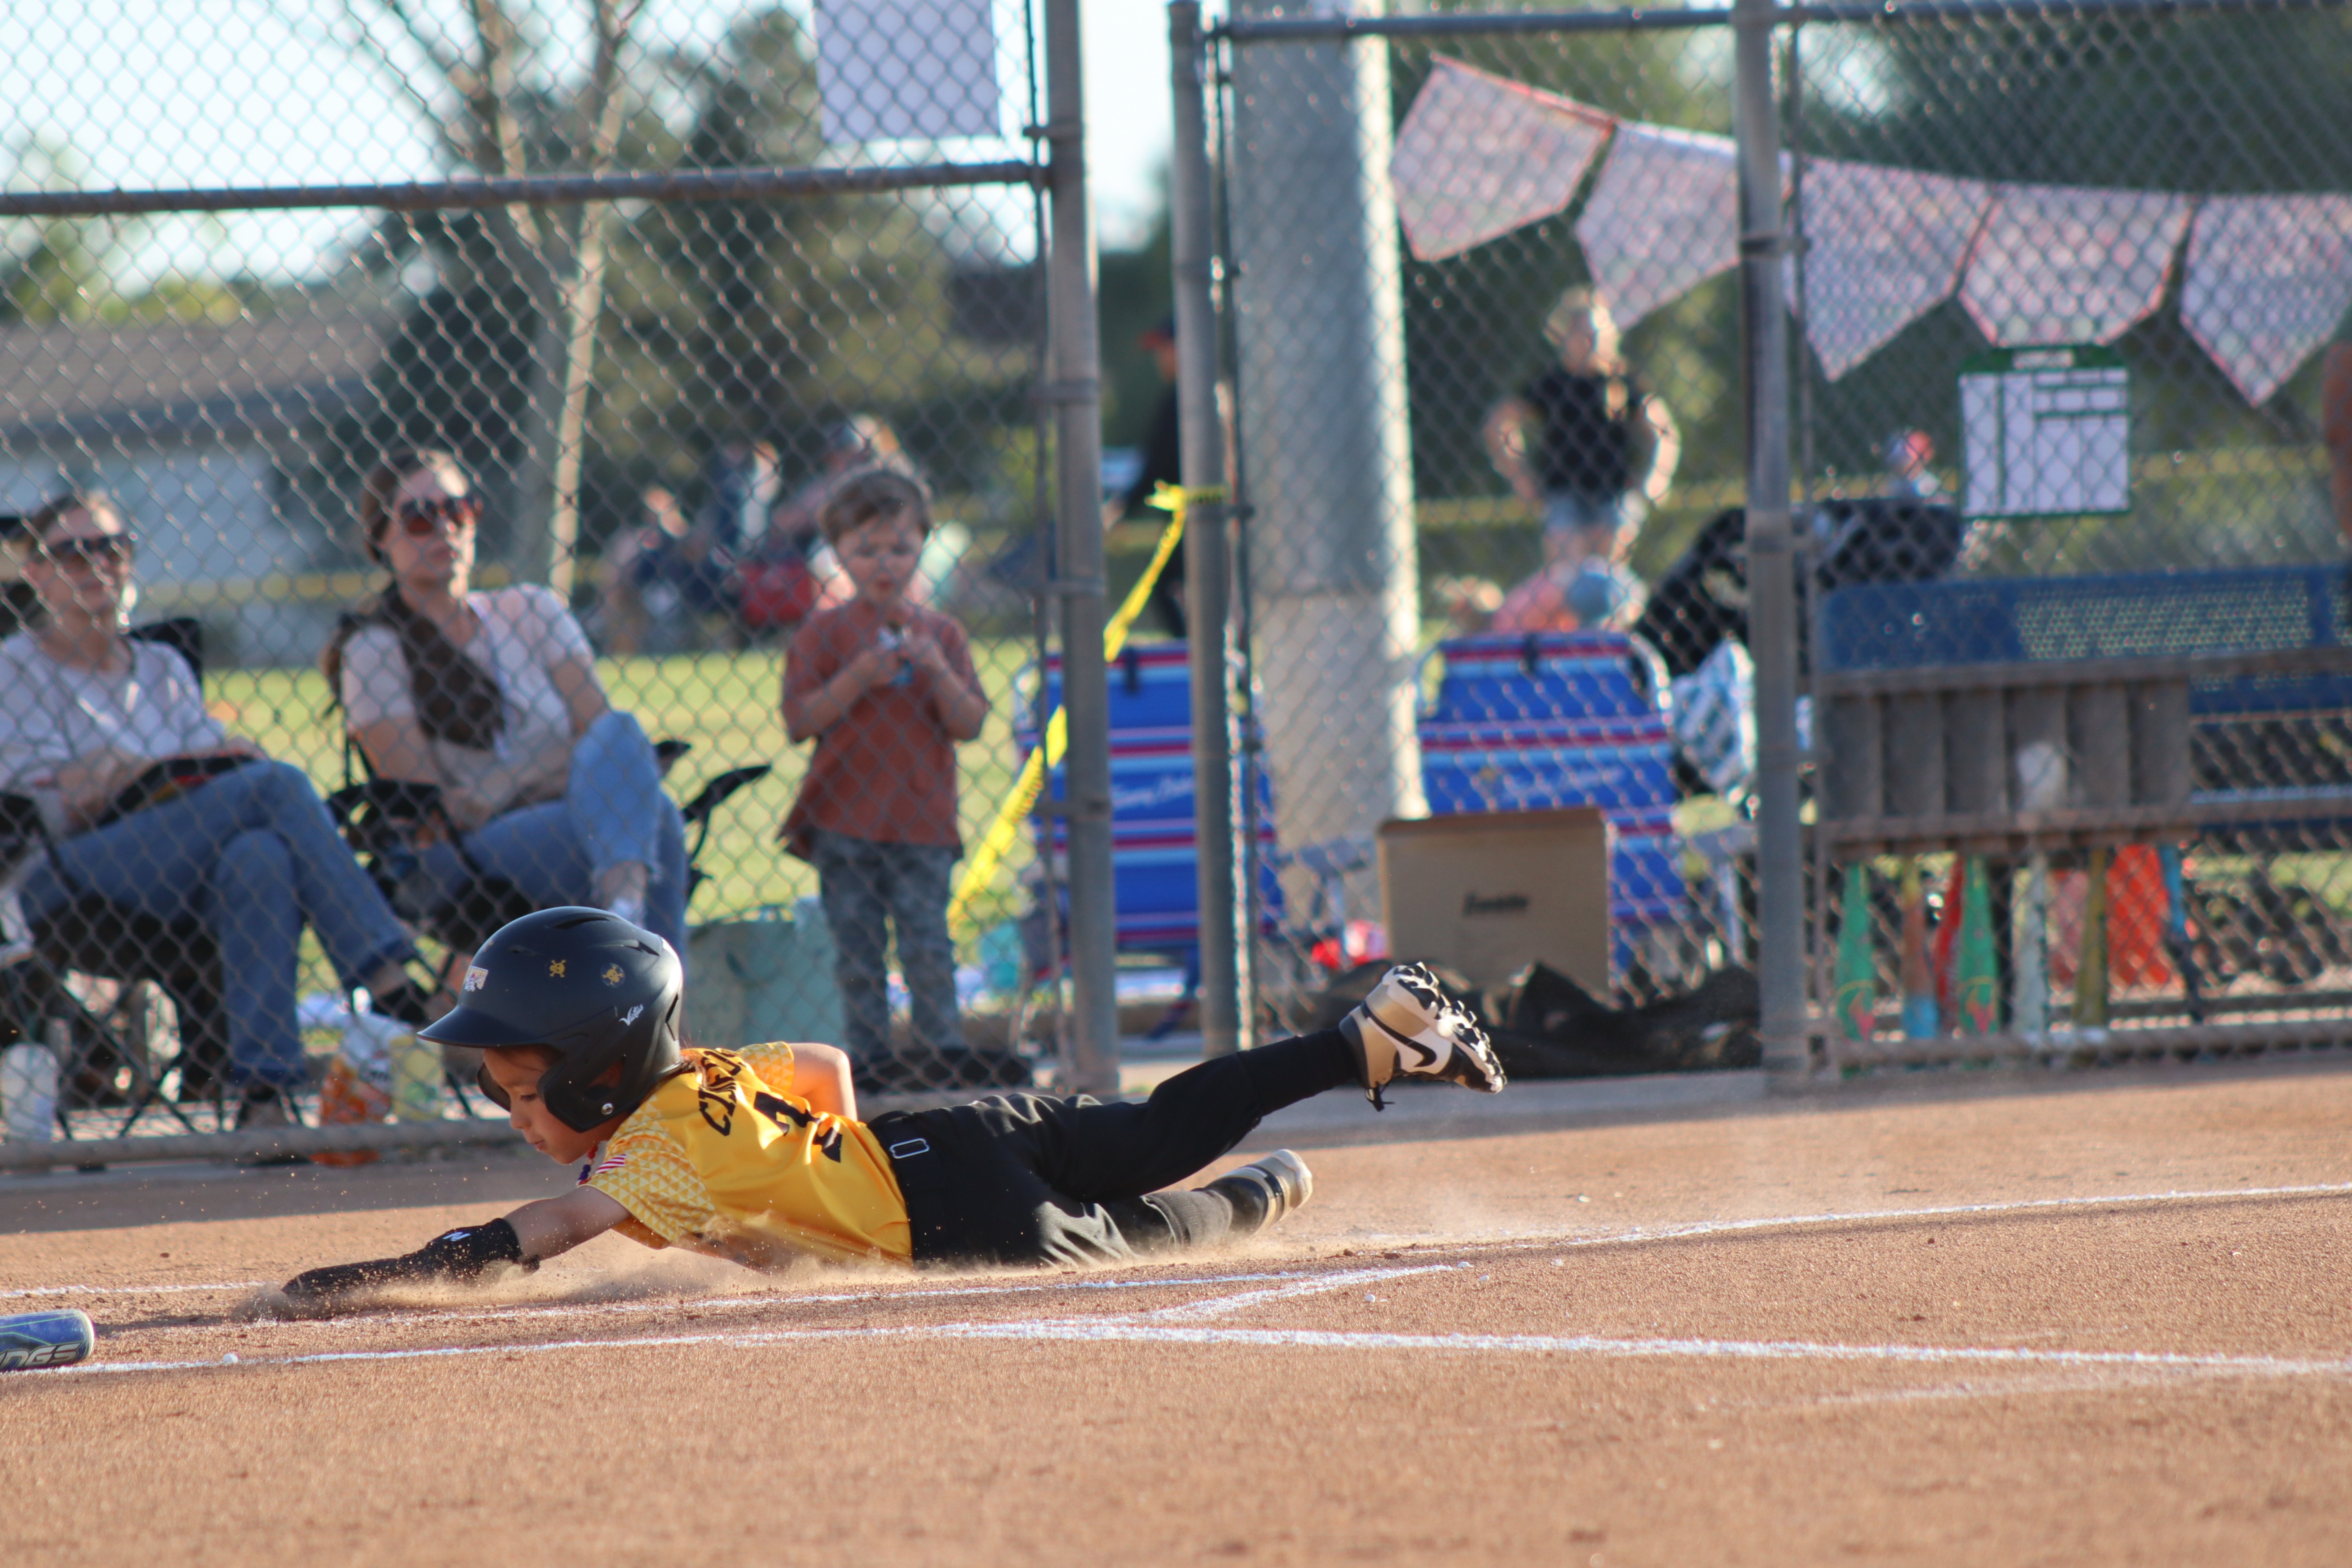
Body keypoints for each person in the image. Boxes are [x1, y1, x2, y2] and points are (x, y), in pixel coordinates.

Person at [271, 912, 1506, 1303]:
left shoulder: (650, 1154)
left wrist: (412, 1268)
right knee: (1149, 1133)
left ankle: (1269, 1189)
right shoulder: (707, 1075)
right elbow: (819, 1064)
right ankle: (1355, 1042)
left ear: (597, 1071)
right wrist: (833, 1176)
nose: (515, 1117)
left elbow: (551, 1225)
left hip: (961, 1227)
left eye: (521, 1094)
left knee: (1147, 1230)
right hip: (957, 1132)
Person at [0, 492, 440, 1122]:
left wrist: (139, 767)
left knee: (259, 856)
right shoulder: (15, 668)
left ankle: (264, 1097)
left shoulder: (162, 666)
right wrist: (161, 767)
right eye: (71, 553)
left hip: (184, 867)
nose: (96, 564)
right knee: (276, 787)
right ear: (37, 572)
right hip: (70, 876)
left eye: (111, 547)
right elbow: (64, 799)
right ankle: (392, 986)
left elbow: (202, 764)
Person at [324, 450, 690, 960]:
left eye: (459, 510)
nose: (445, 528)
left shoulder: (532, 610)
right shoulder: (373, 650)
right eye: (420, 517)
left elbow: (604, 741)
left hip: (568, 814)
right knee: (654, 818)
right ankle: (647, 974)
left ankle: (626, 925)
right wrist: (563, 773)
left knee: (621, 733)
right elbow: (436, 809)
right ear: (380, 537)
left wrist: (501, 789)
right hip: (463, 854)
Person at [779, 468, 1004, 1091]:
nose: (885, 563)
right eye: (866, 549)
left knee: (928, 946)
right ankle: (870, 1068)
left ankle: (942, 1059)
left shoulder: (943, 633)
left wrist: (935, 669)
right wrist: (858, 676)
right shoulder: (823, 633)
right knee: (857, 954)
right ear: (838, 553)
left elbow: (970, 723)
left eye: (900, 548)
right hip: (844, 822)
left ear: (923, 546)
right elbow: (800, 720)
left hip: (922, 824)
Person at [1475, 289, 1678, 633]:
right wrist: (1520, 476)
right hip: (1562, 493)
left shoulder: (1621, 383)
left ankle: (1608, 642)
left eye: (1597, 333)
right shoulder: (1551, 383)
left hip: (1612, 492)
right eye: (1581, 333)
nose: (1590, 341)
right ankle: (1567, 645)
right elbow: (1499, 425)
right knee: (1567, 578)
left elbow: (1663, 432)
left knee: (1604, 577)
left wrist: (1656, 479)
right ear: (1563, 336)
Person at [1105, 317, 1187, 637]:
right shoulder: (1194, 396)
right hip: (1194, 516)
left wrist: (1122, 508)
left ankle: (1197, 653)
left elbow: (1156, 467)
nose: (1160, 359)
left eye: (1165, 349)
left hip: (1195, 518)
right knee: (1182, 587)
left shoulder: (1181, 401)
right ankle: (1204, 653)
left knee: (1167, 585)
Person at [593, 486, 692, 656]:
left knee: (658, 602)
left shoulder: (678, 535)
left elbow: (688, 550)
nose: (653, 516)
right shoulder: (639, 536)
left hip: (671, 588)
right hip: (641, 588)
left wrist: (668, 525)